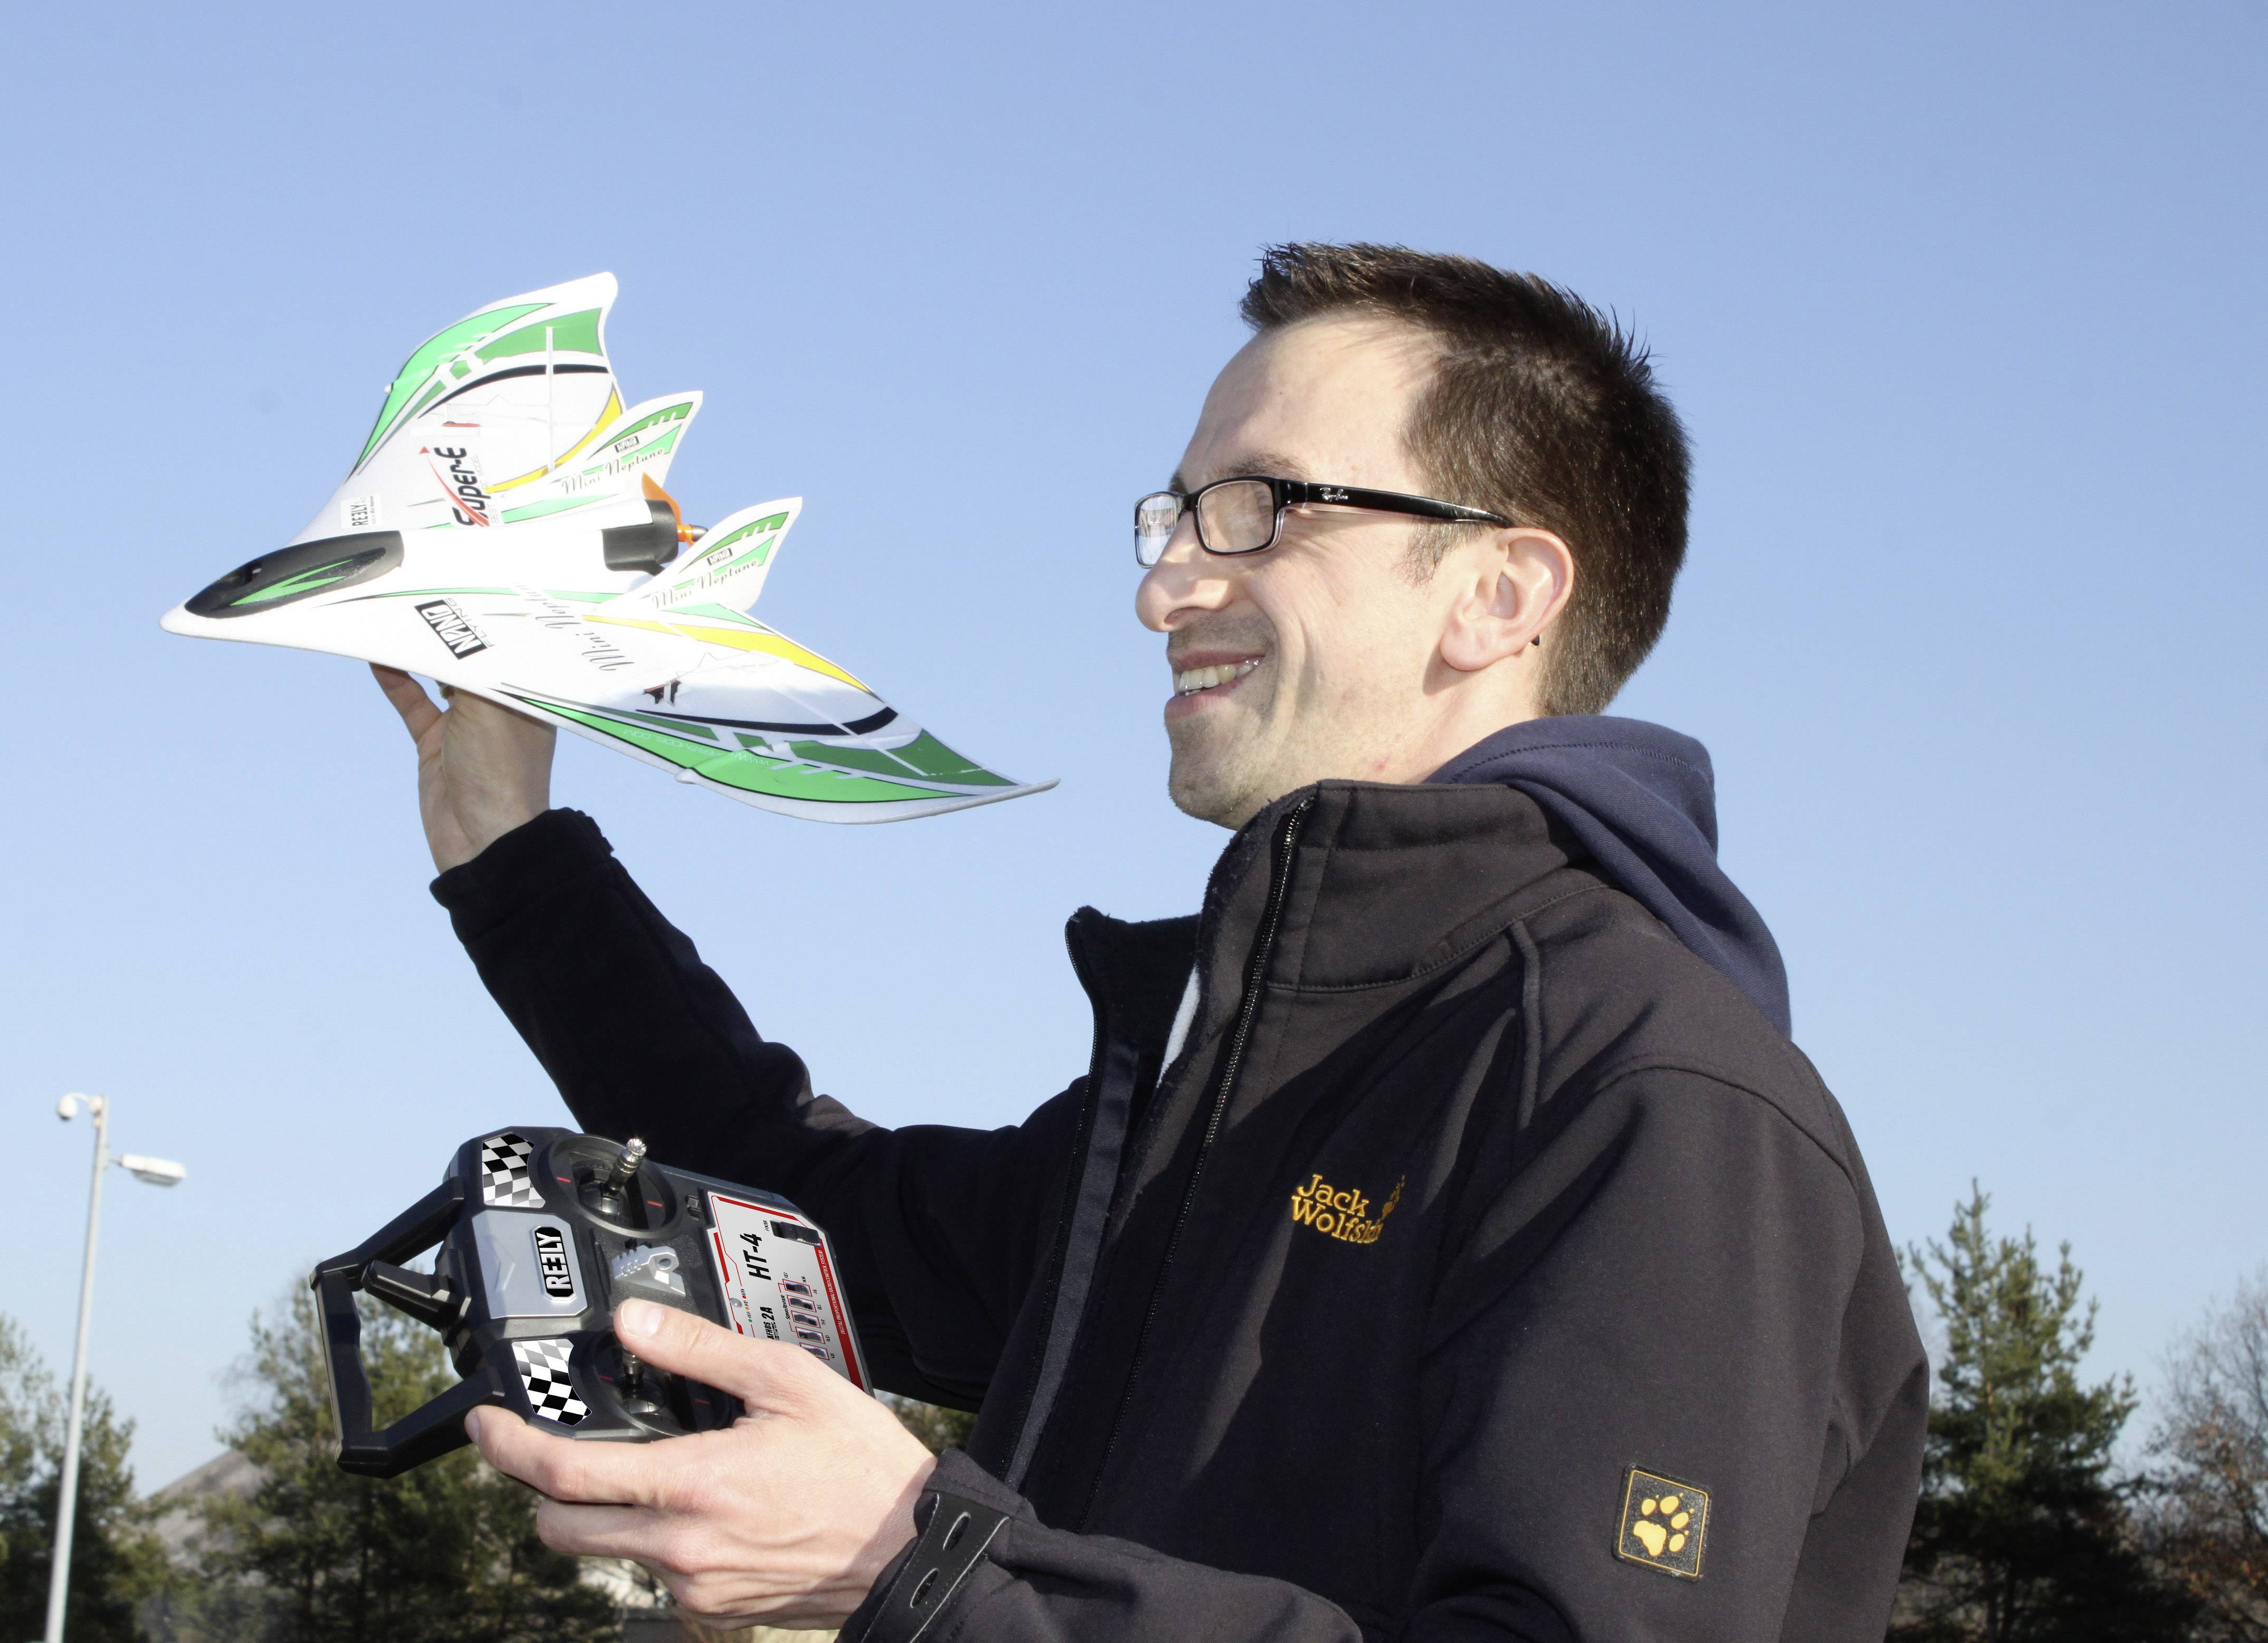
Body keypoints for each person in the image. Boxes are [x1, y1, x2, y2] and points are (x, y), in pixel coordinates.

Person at [372, 243, 1926, 1642]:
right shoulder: (1240, 1080)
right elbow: (806, 1224)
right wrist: (513, 850)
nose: (1165, 583)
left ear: (1497, 592)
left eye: (1256, 510)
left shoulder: (1650, 1100)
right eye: (1174, 516)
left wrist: (924, 1572)